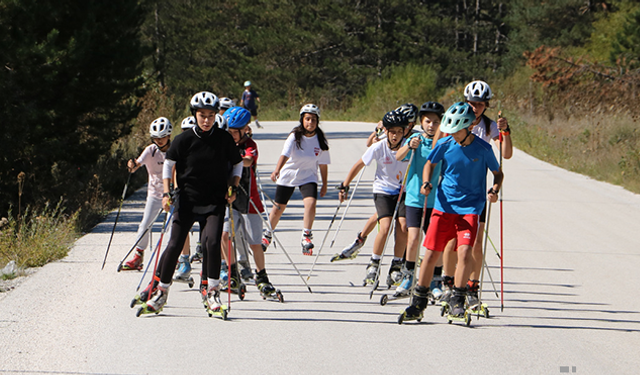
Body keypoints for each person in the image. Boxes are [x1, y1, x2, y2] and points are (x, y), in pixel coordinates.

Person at [140, 91, 243, 316]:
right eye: (202, 115)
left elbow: (237, 164)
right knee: (174, 244)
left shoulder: (223, 138)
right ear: (194, 114)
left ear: (216, 115)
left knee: (213, 243)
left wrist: (234, 186)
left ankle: (212, 292)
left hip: (215, 201)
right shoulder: (183, 139)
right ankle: (161, 293)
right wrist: (167, 193)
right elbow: (169, 165)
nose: (206, 120)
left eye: (211, 115)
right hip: (187, 200)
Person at [400, 102, 503, 322]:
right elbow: (429, 164)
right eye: (450, 129)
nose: (452, 133)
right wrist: (427, 182)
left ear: (468, 126)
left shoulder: (484, 149)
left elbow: (498, 173)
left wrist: (494, 189)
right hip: (443, 207)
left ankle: (457, 300)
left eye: (456, 129)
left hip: (470, 209)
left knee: (465, 252)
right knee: (430, 254)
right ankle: (418, 302)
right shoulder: (445, 144)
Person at [334, 103, 420, 261]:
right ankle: (361, 242)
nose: (401, 131)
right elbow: (369, 145)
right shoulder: (390, 134)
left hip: (403, 188)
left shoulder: (413, 138)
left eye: (406, 126)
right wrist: (378, 130)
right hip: (385, 187)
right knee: (384, 219)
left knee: (401, 223)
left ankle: (402, 256)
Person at [220, 106, 281, 299]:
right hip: (229, 199)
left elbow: (247, 160)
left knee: (254, 243)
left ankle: (261, 276)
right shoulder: (223, 144)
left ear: (244, 129)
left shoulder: (250, 144)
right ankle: (231, 273)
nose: (231, 135)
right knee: (224, 235)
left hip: (249, 201)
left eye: (234, 132)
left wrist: (235, 157)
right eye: (228, 132)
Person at [461, 80, 512, 310]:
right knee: (454, 242)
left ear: (486, 105)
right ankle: (452, 284)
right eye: (472, 103)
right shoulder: (457, 121)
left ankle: (472, 287)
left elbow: (506, 154)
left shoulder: (490, 127)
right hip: (454, 188)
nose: (475, 108)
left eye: (480, 104)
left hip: (478, 190)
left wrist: (505, 131)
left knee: (476, 243)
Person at [261, 104, 330, 255]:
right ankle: (267, 234)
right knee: (279, 207)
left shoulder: (320, 140)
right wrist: (277, 169)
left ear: (317, 122)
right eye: (307, 119)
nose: (310, 123)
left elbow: (323, 164)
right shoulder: (295, 136)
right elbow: (284, 154)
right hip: (289, 174)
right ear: (302, 120)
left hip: (308, 175)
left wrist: (324, 184)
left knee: (310, 203)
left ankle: (306, 235)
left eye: (313, 120)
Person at [392, 101, 445, 298]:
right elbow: (398, 156)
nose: (431, 125)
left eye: (436, 122)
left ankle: (435, 280)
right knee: (413, 238)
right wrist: (409, 146)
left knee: (434, 242)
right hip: (414, 197)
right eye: (428, 121)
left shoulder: (443, 142)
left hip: (436, 200)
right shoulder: (415, 138)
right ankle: (409, 276)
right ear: (421, 122)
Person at [121, 117, 173, 271]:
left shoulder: (174, 150)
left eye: (162, 137)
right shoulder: (150, 150)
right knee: (145, 224)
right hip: (154, 194)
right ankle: (138, 256)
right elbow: (136, 165)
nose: (159, 140)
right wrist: (132, 165)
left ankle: (173, 257)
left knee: (172, 227)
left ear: (169, 135)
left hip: (172, 195)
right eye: (156, 138)